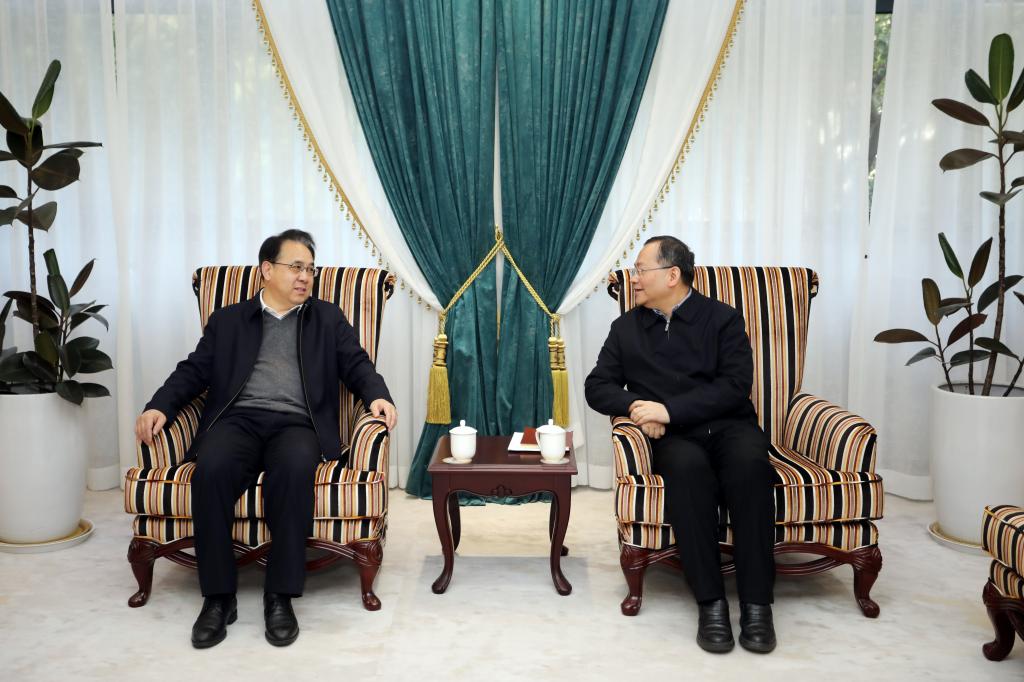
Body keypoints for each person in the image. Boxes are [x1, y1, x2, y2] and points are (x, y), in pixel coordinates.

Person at [135, 229, 397, 649]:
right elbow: (193, 370)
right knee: (211, 471)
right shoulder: (228, 320)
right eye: (296, 267)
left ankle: (280, 595)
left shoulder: (326, 318)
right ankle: (218, 598)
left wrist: (378, 395)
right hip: (237, 421)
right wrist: (159, 406)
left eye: (310, 269)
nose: (305, 276)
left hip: (297, 424)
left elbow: (357, 363)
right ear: (267, 270)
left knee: (293, 471)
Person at [584, 235, 776, 654]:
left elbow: (735, 385)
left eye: (641, 270)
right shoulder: (627, 328)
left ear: (672, 275)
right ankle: (711, 603)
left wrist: (667, 410)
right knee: (687, 473)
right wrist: (638, 407)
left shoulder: (722, 318)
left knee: (751, 468)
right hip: (676, 439)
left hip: (730, 426)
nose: (634, 279)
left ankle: (758, 605)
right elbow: (596, 386)